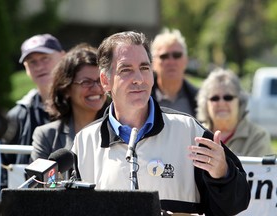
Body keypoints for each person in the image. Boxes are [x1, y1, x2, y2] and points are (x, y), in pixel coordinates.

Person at [71, 31, 250, 215]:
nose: (139, 78)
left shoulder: (188, 131)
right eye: (126, 70)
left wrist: (222, 174)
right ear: (105, 80)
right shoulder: (84, 143)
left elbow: (236, 203)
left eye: (144, 68)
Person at [31, 43, 109, 162]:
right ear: (66, 89)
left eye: (100, 81)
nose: (97, 88)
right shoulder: (47, 136)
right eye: (86, 82)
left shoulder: (120, 131)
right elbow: (39, 180)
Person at [1, 34, 65, 165]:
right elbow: (4, 167)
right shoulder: (18, 116)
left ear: (63, 56)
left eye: (45, 58)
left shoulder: (85, 106)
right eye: (32, 62)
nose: (39, 66)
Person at [196, 68, 273, 157]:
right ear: (205, 104)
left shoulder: (258, 136)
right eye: (215, 98)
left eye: (228, 97)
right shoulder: (196, 135)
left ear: (240, 101)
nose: (221, 103)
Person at [151, 28, 198, 117]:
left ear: (186, 60)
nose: (171, 61)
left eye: (177, 55)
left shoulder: (200, 99)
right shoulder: (142, 98)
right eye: (164, 56)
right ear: (153, 63)